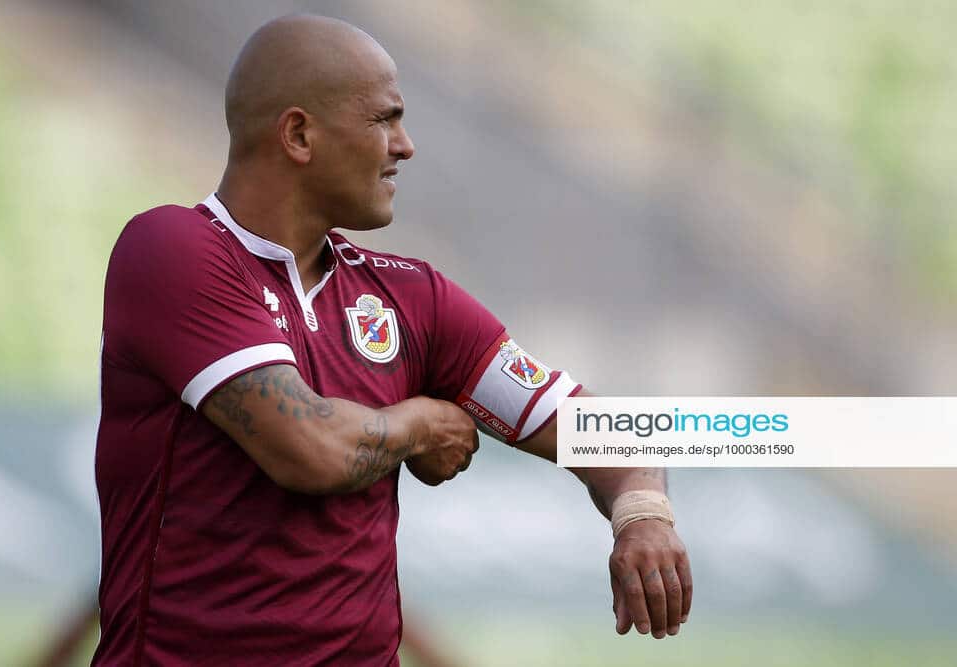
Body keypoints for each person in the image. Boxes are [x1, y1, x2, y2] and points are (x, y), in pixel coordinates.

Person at [93, 14, 691, 666]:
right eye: (384, 119)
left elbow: (601, 429)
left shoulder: (412, 297)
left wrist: (643, 512)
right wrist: (421, 424)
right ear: (299, 135)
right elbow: (310, 449)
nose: (405, 146)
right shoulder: (172, 250)